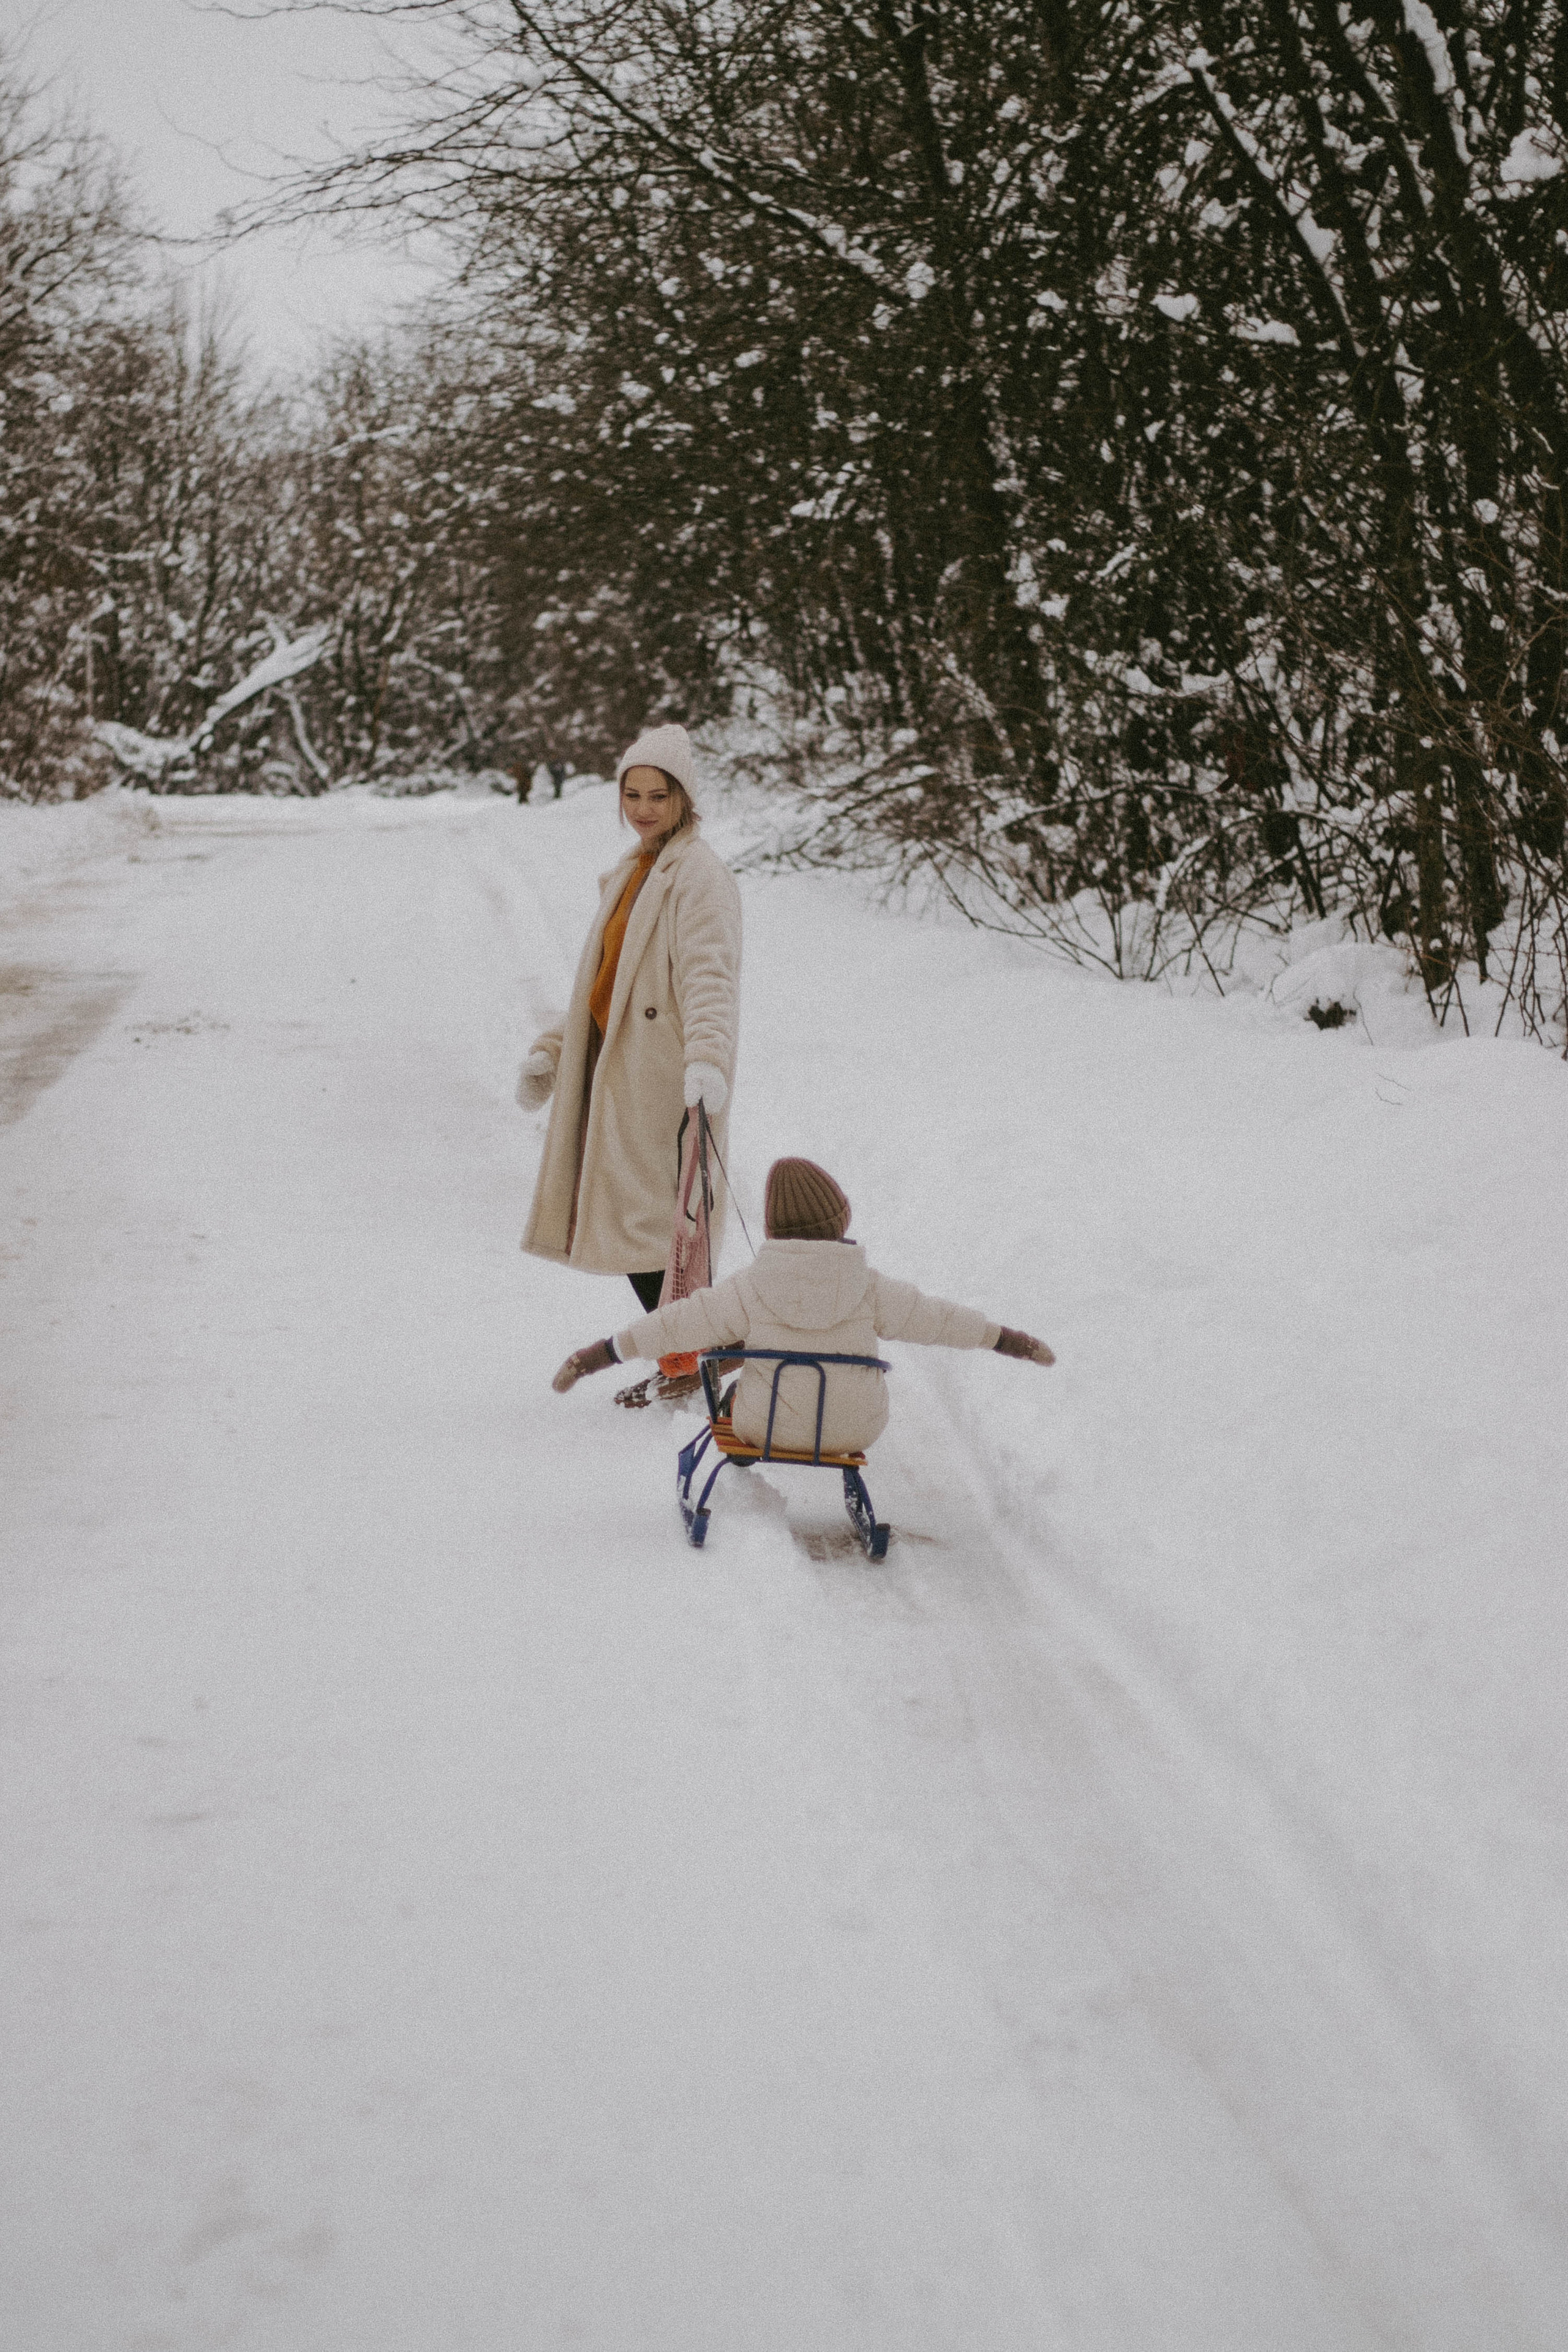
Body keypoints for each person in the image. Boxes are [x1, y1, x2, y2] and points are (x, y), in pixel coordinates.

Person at [518, 722, 742, 1400]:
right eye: (632, 794)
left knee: (655, 1226)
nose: (643, 809)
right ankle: (692, 1353)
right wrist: (556, 1047)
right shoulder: (631, 871)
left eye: (658, 796)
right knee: (637, 1224)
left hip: (664, 1077)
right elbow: (605, 983)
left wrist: (707, 1060)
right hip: (617, 1071)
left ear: (685, 799)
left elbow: (710, 978)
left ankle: (700, 1353)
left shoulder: (699, 877)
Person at [551, 1156, 1054, 1455]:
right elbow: (939, 1320)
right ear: (839, 1222)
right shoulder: (870, 1287)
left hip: (764, 1427)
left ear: (774, 1228)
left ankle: (745, 1451)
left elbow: (677, 1324)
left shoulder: (751, 1287)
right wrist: (1008, 1340)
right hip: (858, 1429)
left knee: (738, 1393)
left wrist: (602, 1354)